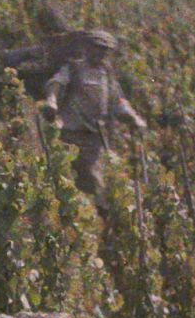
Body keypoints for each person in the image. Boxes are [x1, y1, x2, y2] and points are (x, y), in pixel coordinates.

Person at [41, 29, 145, 199]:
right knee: (63, 177)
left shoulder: (107, 74)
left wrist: (134, 118)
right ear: (86, 47)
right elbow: (56, 83)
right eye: (96, 47)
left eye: (104, 49)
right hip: (70, 133)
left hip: (94, 138)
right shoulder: (74, 68)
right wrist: (51, 101)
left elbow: (118, 101)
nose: (99, 52)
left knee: (93, 181)